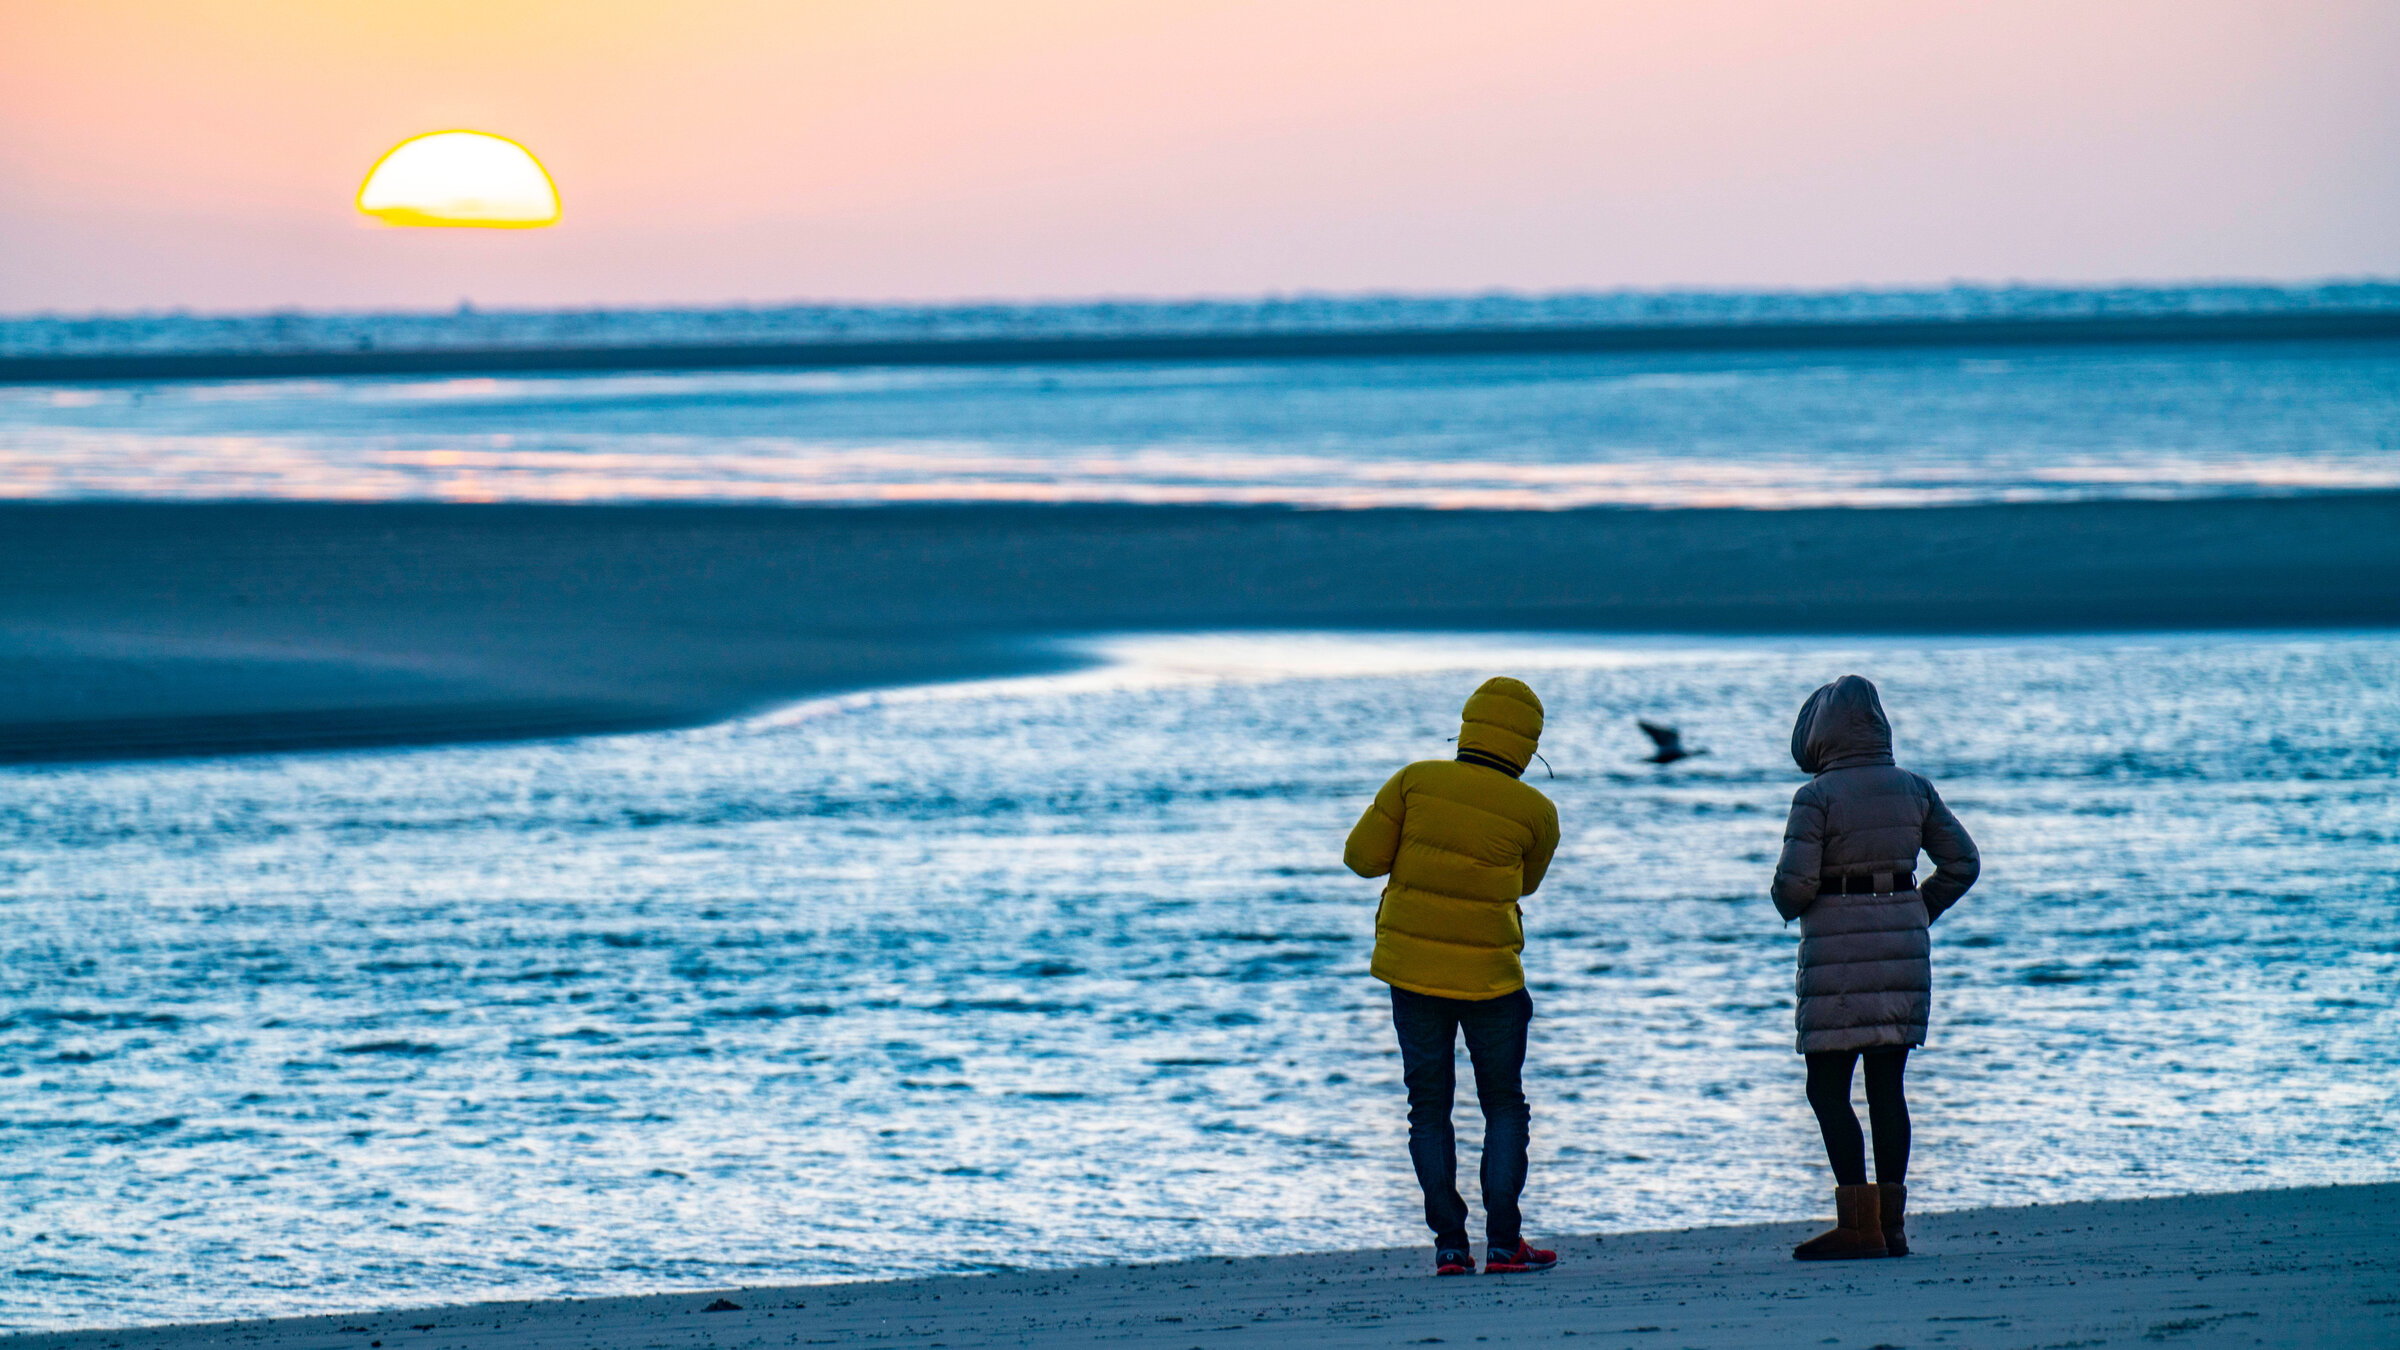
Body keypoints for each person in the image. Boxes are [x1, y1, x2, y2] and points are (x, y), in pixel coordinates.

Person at [1344, 677, 1562, 1277]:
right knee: (1503, 1104)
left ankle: (1448, 1247)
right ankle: (1504, 1244)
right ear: (1527, 743)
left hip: (1412, 974)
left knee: (1428, 1107)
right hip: (1493, 976)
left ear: (1467, 725)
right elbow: (1525, 886)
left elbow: (1360, 859)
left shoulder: (1416, 781)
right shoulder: (1538, 812)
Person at [1771, 675, 1979, 1261]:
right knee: (1888, 1087)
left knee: (1826, 1087)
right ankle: (1891, 1227)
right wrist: (1917, 911)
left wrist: (1786, 902)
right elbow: (1963, 861)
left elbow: (1794, 887)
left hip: (1836, 954)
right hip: (1901, 950)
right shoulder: (1915, 788)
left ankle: (1855, 1223)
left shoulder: (1816, 797)